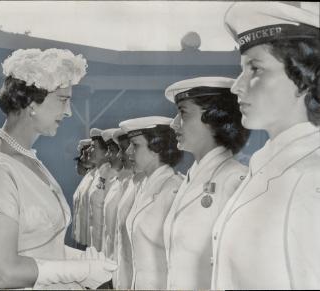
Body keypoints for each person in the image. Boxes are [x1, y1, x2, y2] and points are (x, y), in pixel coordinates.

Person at [211, 2, 320, 289]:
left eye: (254, 69)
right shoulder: (265, 163)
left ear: (305, 77)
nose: (237, 86)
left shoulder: (311, 179)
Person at [0, 48, 117, 290]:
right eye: (63, 99)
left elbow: (39, 246)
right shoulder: (0, 168)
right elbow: (3, 272)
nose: (69, 111)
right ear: (31, 102)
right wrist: (80, 270)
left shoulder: (29, 159)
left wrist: (82, 259)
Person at [163, 76, 250, 289]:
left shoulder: (236, 181)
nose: (173, 124)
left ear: (215, 119)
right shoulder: (189, 179)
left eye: (182, 113)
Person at [120, 116, 184, 289]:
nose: (128, 152)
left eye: (135, 145)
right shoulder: (143, 186)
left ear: (157, 147)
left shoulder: (174, 190)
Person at [112, 126, 145, 290]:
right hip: (123, 279)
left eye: (123, 149)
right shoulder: (132, 183)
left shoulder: (167, 188)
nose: (120, 155)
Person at [102, 128, 132, 262]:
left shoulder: (132, 184)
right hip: (111, 261)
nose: (119, 155)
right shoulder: (120, 182)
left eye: (122, 149)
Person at [72, 138, 94, 249]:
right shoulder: (88, 177)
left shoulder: (96, 178)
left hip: (90, 239)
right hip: (81, 236)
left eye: (85, 155)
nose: (81, 160)